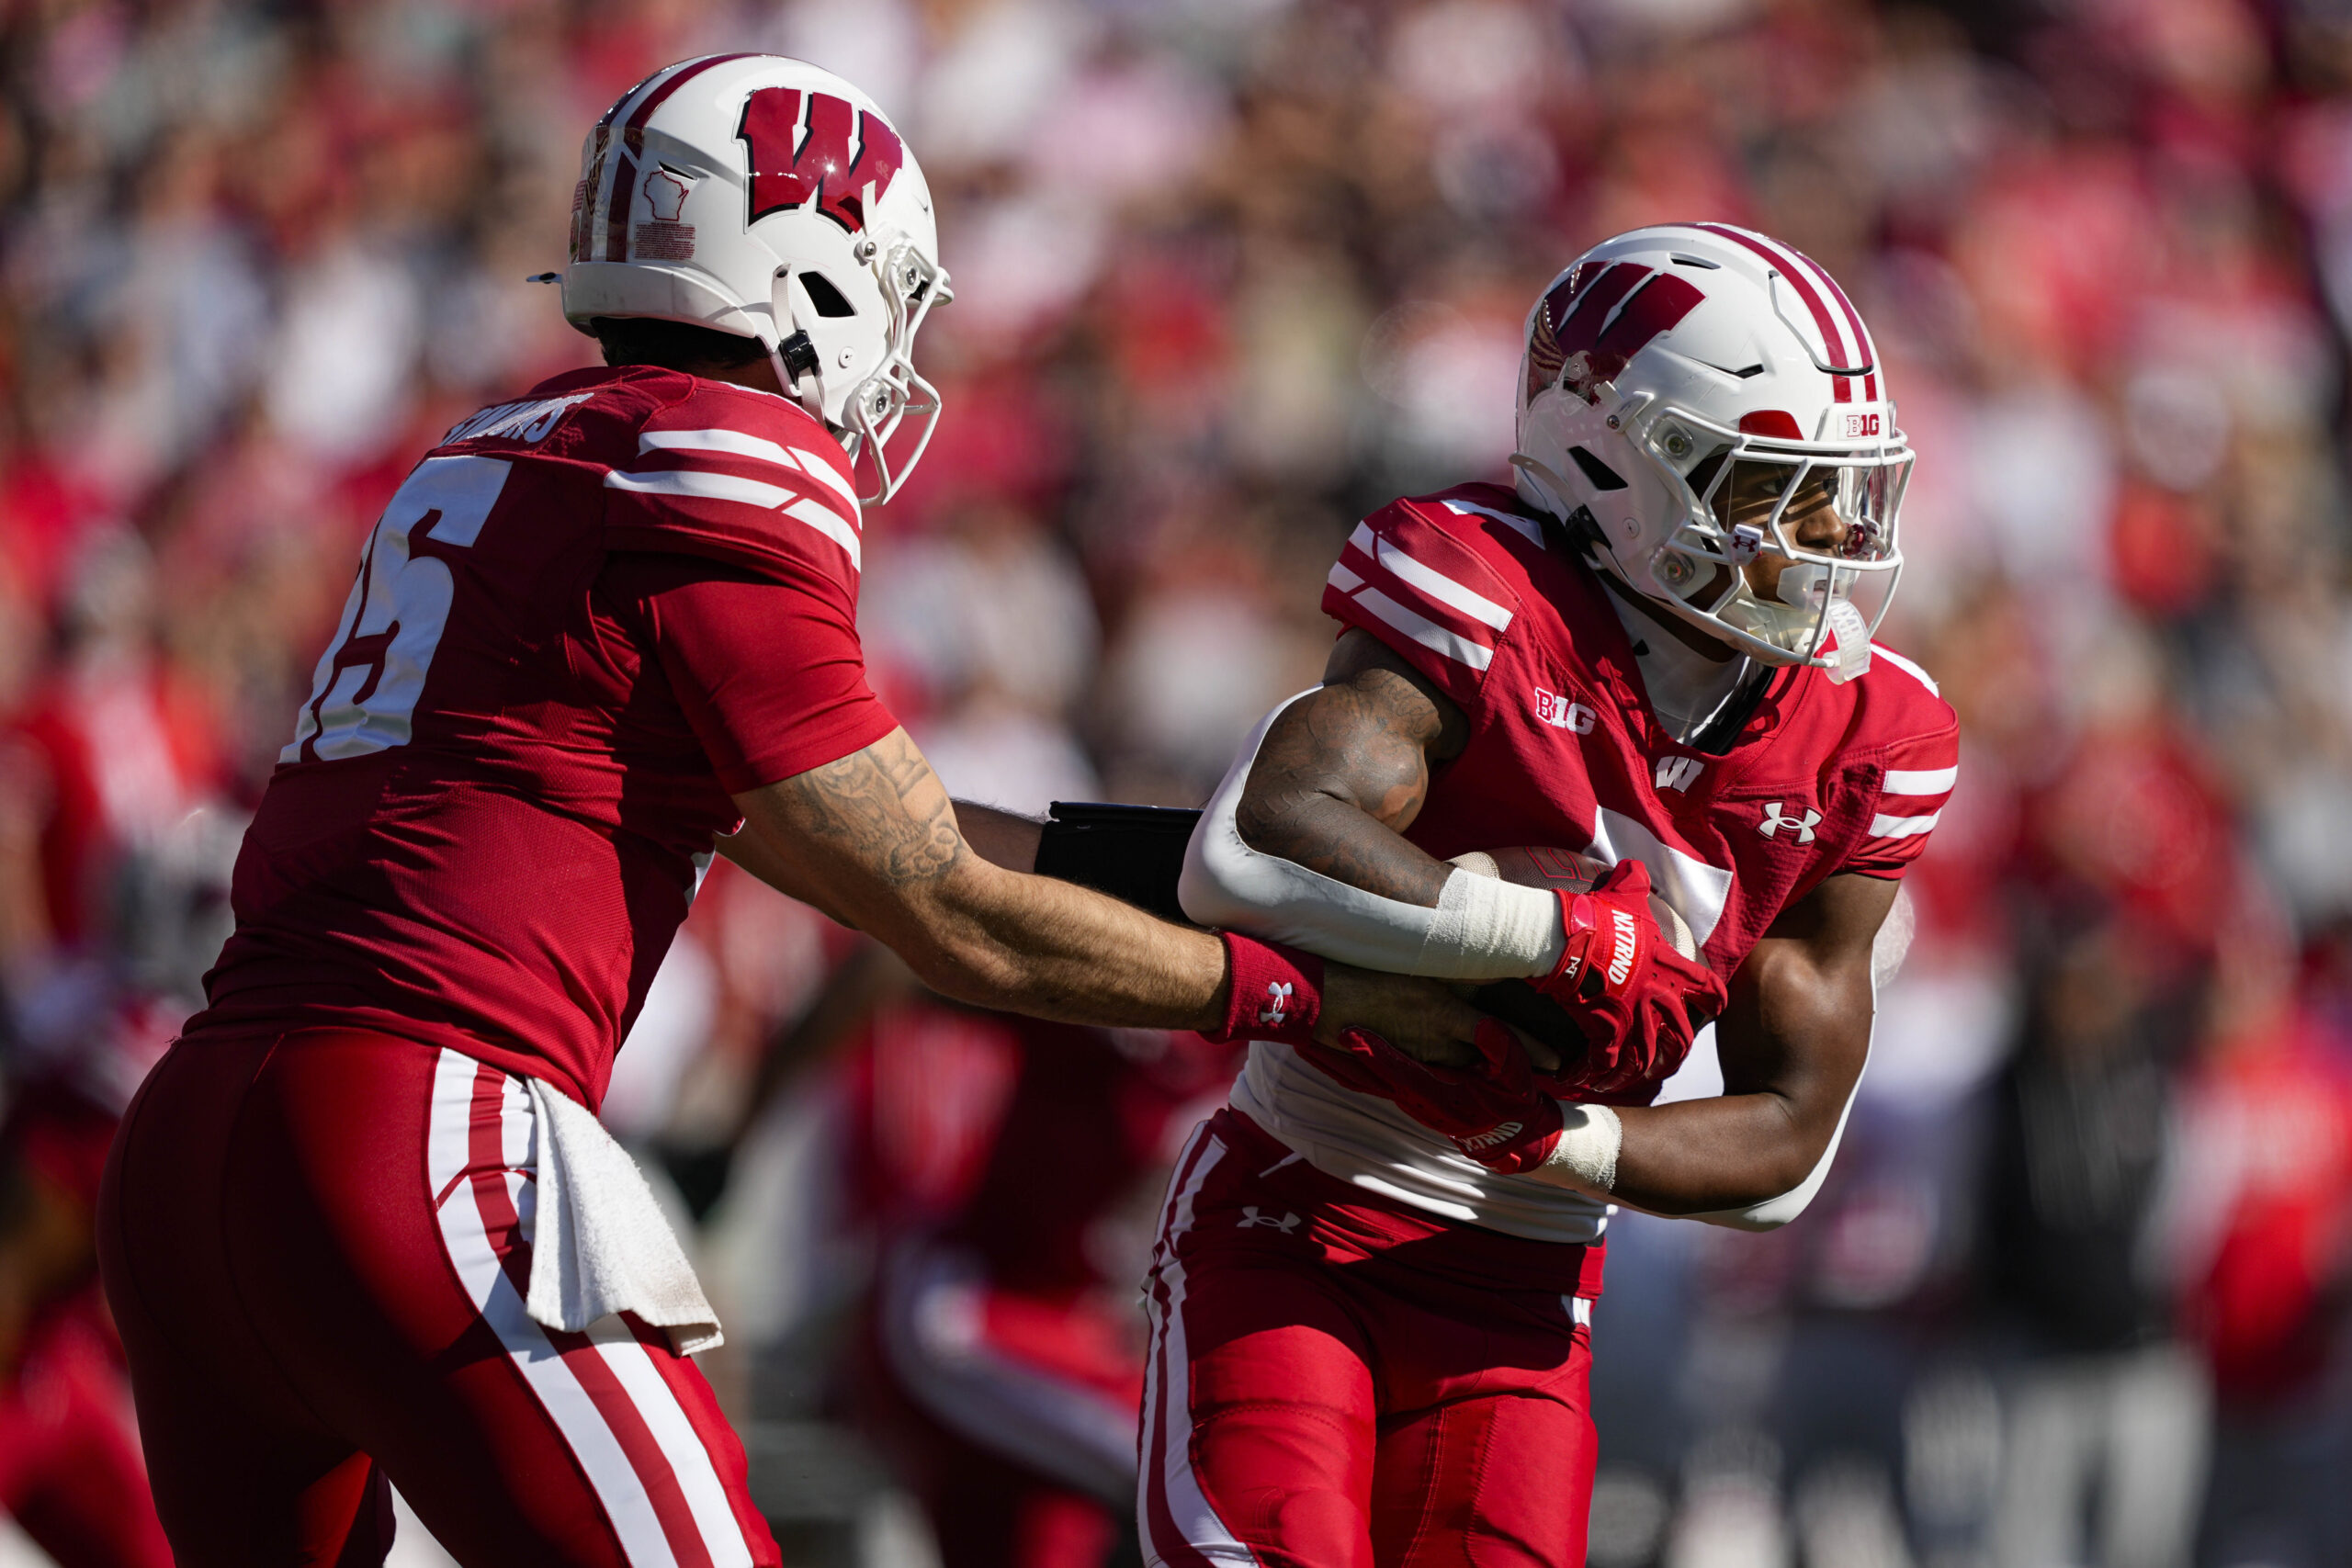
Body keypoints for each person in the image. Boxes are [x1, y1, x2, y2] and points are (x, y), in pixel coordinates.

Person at [93, 55, 1481, 1568]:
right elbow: (939, 909)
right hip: (414, 1126)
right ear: (805, 271)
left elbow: (855, 830)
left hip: (195, 1149)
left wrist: (1200, 869)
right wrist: (1292, 995)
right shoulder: (727, 454)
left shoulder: (501, 449)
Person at [1145, 223, 1959, 1566]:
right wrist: (1552, 937)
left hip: (1535, 1276)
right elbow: (1253, 845)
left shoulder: (1873, 733)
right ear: (1612, 462)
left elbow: (1788, 1145)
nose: (1820, 540)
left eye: (1839, 496)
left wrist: (1559, 1142)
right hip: (1310, 1204)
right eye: (1771, 487)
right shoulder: (1485, 585)